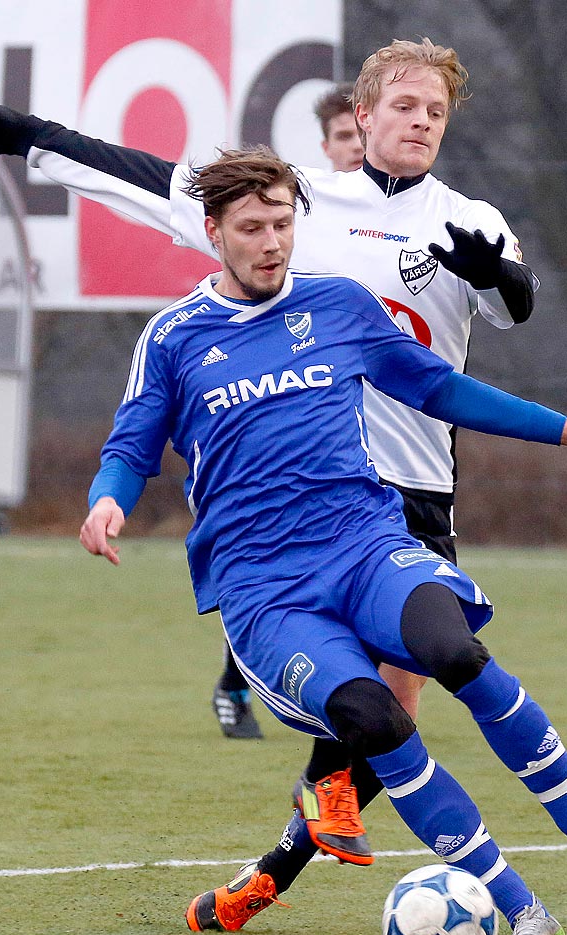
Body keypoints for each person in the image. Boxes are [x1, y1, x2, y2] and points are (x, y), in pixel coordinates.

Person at [0, 37, 567, 935]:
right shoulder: (294, 203)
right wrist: (38, 139)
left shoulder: (466, 216)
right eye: (404, 107)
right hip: (298, 504)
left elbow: (511, 309)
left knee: (409, 696)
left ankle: (287, 861)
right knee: (368, 710)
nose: (420, 122)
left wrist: (490, 275)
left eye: (435, 111)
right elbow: (157, 182)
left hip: (405, 494)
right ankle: (314, 835)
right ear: (363, 117)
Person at [208, 81, 365, 738]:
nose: (355, 149)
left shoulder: (410, 215)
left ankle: (357, 722)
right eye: (342, 139)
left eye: (361, 136)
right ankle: (241, 680)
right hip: (305, 433)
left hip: (392, 437)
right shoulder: (298, 220)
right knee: (282, 574)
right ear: (325, 148)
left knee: (382, 598)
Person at [313, 81, 365, 172]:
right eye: (345, 137)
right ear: (326, 148)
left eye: (366, 134)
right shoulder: (311, 185)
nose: (358, 145)